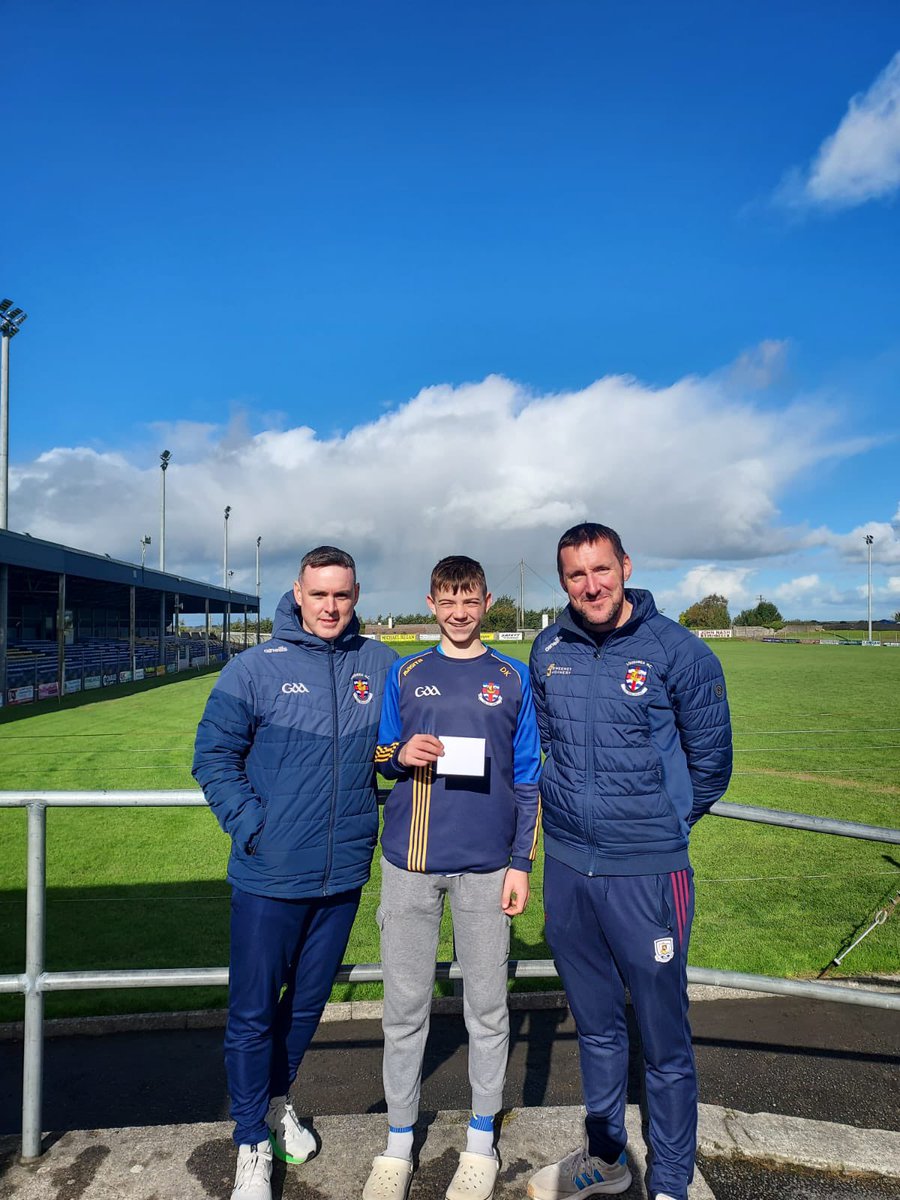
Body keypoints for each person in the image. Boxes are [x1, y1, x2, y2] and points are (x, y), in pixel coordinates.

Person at [526, 523, 732, 1200]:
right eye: (576, 575)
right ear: (564, 582)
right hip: (569, 869)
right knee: (597, 1028)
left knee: (664, 1039)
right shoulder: (548, 647)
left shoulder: (681, 650)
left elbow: (710, 767)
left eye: (601, 570)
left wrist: (660, 823)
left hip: (647, 873)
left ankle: (671, 1182)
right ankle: (609, 1161)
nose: (591, 585)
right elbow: (552, 743)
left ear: (625, 567)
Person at [192, 546, 397, 1200]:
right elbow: (213, 758)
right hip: (269, 876)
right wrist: (257, 827)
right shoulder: (255, 667)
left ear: (355, 593)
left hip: (342, 876)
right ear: (299, 593)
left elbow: (392, 750)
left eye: (342, 595)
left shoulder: (380, 664)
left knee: (305, 1008)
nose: (331, 606)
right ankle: (250, 1140)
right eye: (320, 594)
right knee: (253, 1013)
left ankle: (277, 1104)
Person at [363, 555, 542, 1200]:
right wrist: (399, 753)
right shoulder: (405, 672)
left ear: (486, 602)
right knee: (405, 1008)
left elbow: (528, 781)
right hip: (410, 867)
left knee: (487, 1010)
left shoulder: (511, 678)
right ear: (432, 602)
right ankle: (399, 1141)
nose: (459, 612)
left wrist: (520, 862)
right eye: (448, 600)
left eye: (470, 601)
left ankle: (480, 1140)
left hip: (487, 868)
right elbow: (379, 757)